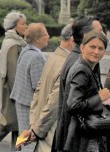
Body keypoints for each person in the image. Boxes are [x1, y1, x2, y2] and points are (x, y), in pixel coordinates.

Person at [57, 30, 110, 151]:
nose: (96, 51)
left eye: (100, 48)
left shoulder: (87, 66)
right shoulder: (81, 70)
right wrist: (100, 97)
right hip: (83, 138)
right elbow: (73, 105)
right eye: (92, 47)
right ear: (82, 47)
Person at [53, 16, 103, 152]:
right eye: (99, 31)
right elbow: (73, 105)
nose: (103, 34)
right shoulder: (80, 64)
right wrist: (101, 98)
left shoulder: (81, 59)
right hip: (78, 137)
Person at [25, 24, 74, 152]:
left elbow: (38, 91)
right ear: (73, 39)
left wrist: (34, 124)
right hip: (52, 132)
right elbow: (54, 103)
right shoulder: (67, 64)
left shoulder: (52, 57)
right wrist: (37, 130)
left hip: (43, 128)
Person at [0, 11, 26, 150]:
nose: (26, 26)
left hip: (12, 91)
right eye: (23, 24)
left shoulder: (12, 41)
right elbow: (13, 73)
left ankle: (16, 149)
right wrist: (20, 95)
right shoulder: (14, 44)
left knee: (17, 126)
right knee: (10, 124)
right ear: (14, 26)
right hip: (14, 93)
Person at [10, 23, 49, 152]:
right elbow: (39, 87)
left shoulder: (26, 50)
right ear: (37, 39)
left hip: (21, 100)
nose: (48, 36)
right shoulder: (37, 56)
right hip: (29, 104)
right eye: (45, 34)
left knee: (23, 138)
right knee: (29, 141)